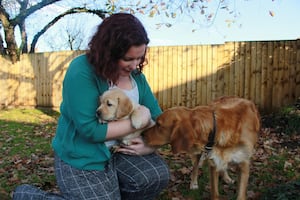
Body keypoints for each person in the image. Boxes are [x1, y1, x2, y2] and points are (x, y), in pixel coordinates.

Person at [13, 13, 170, 200]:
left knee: (155, 176)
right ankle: (28, 196)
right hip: (82, 156)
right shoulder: (82, 71)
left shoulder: (137, 78)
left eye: (139, 58)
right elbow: (91, 129)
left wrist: (150, 144)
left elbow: (160, 119)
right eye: (128, 59)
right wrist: (140, 121)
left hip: (119, 151)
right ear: (109, 51)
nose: (134, 66)